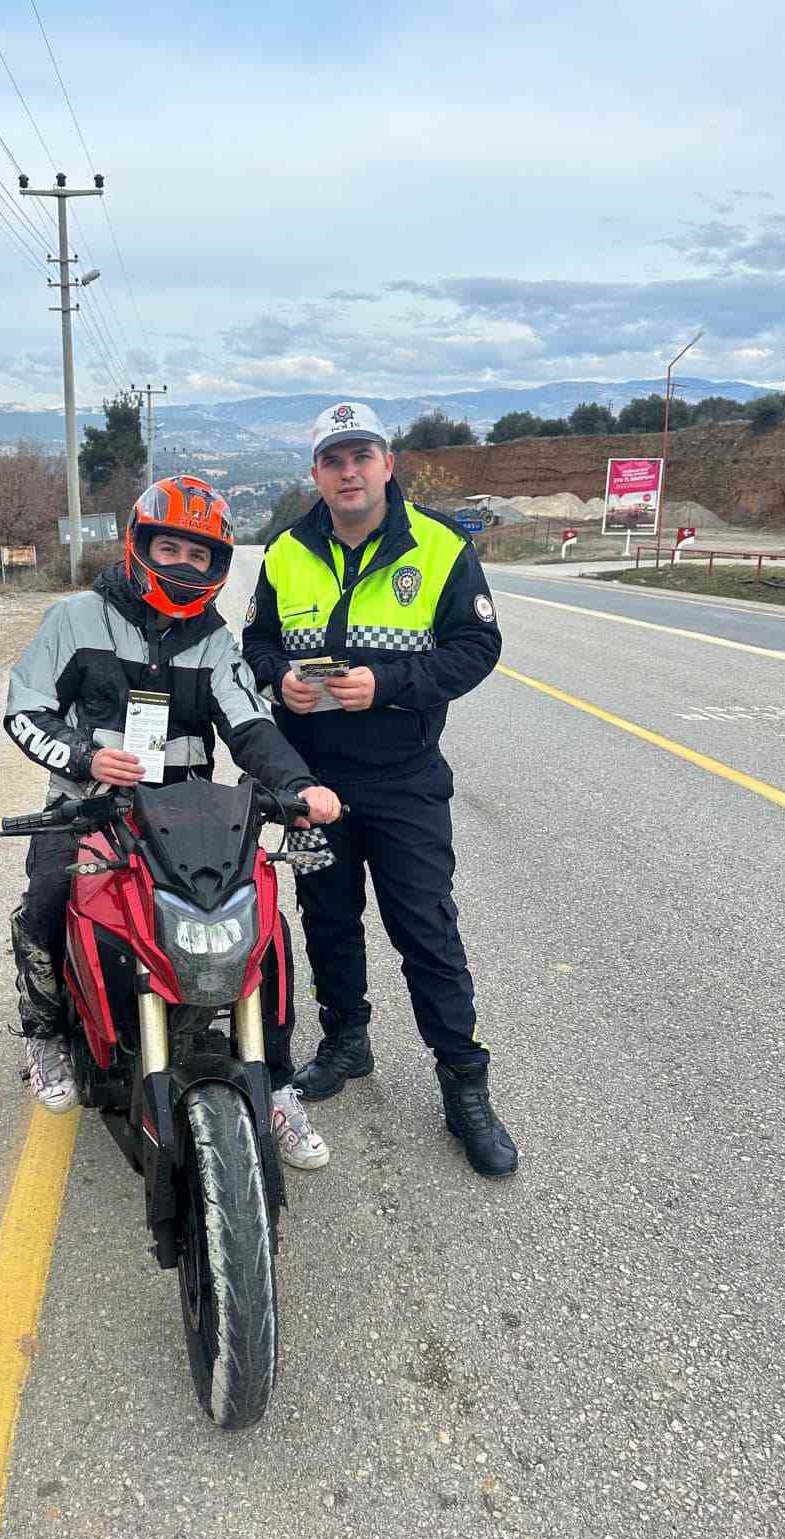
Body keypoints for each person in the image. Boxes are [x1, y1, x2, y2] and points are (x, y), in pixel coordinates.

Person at [4, 474, 342, 1170]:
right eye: (170, 549)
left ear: (217, 568)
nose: (185, 566)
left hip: (188, 815)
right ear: (138, 546)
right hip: (87, 803)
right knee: (45, 900)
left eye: (201, 556)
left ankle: (274, 1083)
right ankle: (44, 1032)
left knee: (264, 927)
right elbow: (24, 710)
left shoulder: (217, 644)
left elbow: (250, 727)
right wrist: (84, 755)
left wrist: (300, 784)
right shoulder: (74, 620)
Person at [242, 402, 518, 1179]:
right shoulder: (288, 550)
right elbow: (257, 640)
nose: (349, 471)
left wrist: (390, 684)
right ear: (317, 475)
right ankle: (345, 1041)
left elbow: (478, 646)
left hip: (404, 781)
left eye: (361, 455)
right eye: (333, 460)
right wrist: (279, 679)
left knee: (427, 933)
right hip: (312, 783)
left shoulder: (437, 546)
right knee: (326, 919)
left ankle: (465, 1086)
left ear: (387, 464)